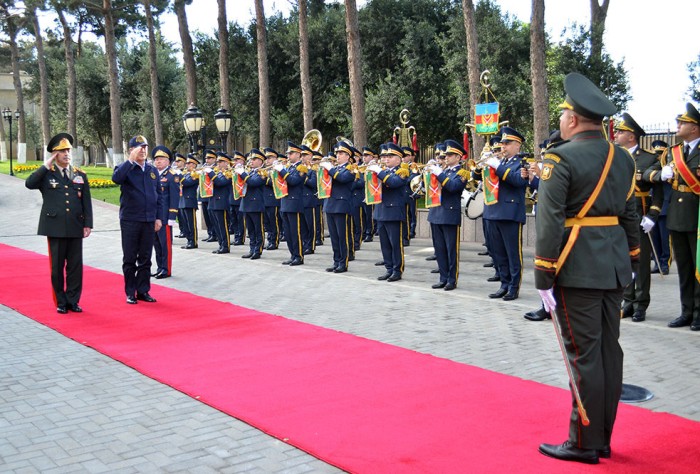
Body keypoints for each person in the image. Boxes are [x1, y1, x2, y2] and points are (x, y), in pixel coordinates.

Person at [535, 72, 639, 464]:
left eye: (563, 114)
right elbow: (630, 213)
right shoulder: (622, 158)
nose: (560, 121)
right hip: (613, 266)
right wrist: (630, 258)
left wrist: (544, 274)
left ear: (574, 120)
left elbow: (550, 221)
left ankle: (583, 441)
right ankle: (603, 436)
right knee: (609, 352)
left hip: (575, 266)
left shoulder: (560, 157)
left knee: (584, 355)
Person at [647, 103, 700, 331]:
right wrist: (660, 174)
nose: (678, 126)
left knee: (698, 267)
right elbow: (650, 173)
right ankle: (686, 312)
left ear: (695, 127)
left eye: (683, 122)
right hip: (677, 217)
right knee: (685, 268)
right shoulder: (672, 152)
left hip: (697, 217)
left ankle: (698, 313)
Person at [25, 133, 93, 313]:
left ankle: (73, 300)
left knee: (75, 267)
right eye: (62, 151)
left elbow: (86, 201)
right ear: (54, 154)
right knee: (57, 268)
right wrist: (45, 166)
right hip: (54, 227)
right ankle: (61, 302)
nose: (66, 153)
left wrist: (88, 224)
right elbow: (29, 183)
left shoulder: (79, 175)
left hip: (75, 226)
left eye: (68, 150)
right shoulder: (47, 174)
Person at [615, 113, 662, 322]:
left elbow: (658, 192)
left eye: (620, 132)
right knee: (624, 260)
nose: (616, 135)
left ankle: (641, 304)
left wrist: (652, 215)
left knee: (641, 262)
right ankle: (627, 300)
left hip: (639, 215)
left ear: (631, 136)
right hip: (619, 216)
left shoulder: (648, 158)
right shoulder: (615, 156)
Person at [112, 135, 163, 304]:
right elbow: (116, 179)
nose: (143, 150)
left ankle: (143, 290)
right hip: (131, 220)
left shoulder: (152, 170)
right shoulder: (124, 168)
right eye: (139, 147)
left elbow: (159, 196)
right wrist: (130, 161)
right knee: (129, 257)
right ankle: (130, 291)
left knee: (146, 257)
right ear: (131, 150)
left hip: (149, 220)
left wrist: (158, 218)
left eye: (145, 147)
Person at [483, 127, 528, 301]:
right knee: (498, 253)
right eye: (502, 143)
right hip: (492, 211)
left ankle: (513, 287)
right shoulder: (498, 161)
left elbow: (518, 181)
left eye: (508, 143)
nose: (503, 146)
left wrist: (498, 166)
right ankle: (504, 283)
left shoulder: (521, 163)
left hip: (510, 213)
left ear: (518, 145)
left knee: (512, 253)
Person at [426, 139, 469, 291]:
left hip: (449, 214)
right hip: (436, 213)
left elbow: (453, 187)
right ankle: (443, 277)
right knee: (440, 249)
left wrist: (438, 174)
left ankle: (452, 279)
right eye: (445, 155)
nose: (446, 158)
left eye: (450, 155)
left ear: (458, 157)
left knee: (451, 249)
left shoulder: (462, 173)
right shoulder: (442, 171)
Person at [369, 142, 410, 282]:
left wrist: (378, 172)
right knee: (384, 243)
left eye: (390, 156)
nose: (386, 159)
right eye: (384, 156)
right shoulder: (382, 171)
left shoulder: (402, 171)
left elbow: (393, 183)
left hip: (393, 212)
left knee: (395, 244)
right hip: (381, 211)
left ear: (399, 159)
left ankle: (397, 270)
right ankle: (389, 268)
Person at [321, 140, 356, 273]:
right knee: (334, 237)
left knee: (343, 237)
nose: (338, 156)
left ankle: (343, 263)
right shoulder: (334, 169)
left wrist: (329, 168)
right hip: (330, 204)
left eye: (341, 153)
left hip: (342, 206)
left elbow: (342, 178)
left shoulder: (351, 169)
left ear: (348, 156)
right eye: (337, 153)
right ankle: (336, 261)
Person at [275, 141, 308, 266]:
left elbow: (294, 181)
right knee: (288, 232)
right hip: (285, 202)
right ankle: (292, 254)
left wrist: (282, 171)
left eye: (291, 153)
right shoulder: (289, 167)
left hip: (295, 203)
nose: (288, 155)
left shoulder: (301, 168)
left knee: (296, 232)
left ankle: (299, 256)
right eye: (288, 153)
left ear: (298, 154)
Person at [151, 145, 179, 279]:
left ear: (168, 161)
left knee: (165, 245)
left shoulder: (172, 177)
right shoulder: (154, 175)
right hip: (155, 217)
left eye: (161, 159)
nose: (158, 161)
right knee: (156, 244)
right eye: (156, 159)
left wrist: (172, 216)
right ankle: (159, 267)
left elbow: (174, 198)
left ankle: (166, 269)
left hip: (165, 217)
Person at [236, 149, 267, 259]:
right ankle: (252, 248)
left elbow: (253, 183)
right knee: (251, 230)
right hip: (246, 203)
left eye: (254, 159)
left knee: (258, 229)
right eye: (251, 159)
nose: (251, 161)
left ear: (261, 161)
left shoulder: (263, 172)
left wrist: (243, 173)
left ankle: (258, 250)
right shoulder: (250, 172)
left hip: (256, 204)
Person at [648, 140, 671, 275]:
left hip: (665, 206)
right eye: (656, 154)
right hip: (653, 207)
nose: (658, 157)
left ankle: (665, 263)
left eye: (660, 154)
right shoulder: (652, 168)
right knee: (655, 238)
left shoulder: (668, 168)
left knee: (665, 238)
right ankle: (657, 263)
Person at [207, 152, 233, 254]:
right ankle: (221, 244)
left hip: (222, 202)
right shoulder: (217, 172)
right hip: (213, 201)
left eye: (221, 161)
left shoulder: (229, 173)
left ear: (227, 163)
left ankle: (225, 246)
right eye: (218, 161)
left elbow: (220, 182)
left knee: (223, 226)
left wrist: (210, 173)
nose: (218, 163)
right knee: (216, 225)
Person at [178, 154, 200, 249]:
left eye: (189, 163)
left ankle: (193, 241)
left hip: (189, 200)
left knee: (191, 224)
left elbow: (187, 183)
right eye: (186, 163)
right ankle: (189, 240)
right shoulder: (186, 174)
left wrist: (178, 175)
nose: (186, 165)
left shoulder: (195, 174)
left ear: (194, 165)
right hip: (182, 200)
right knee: (185, 223)